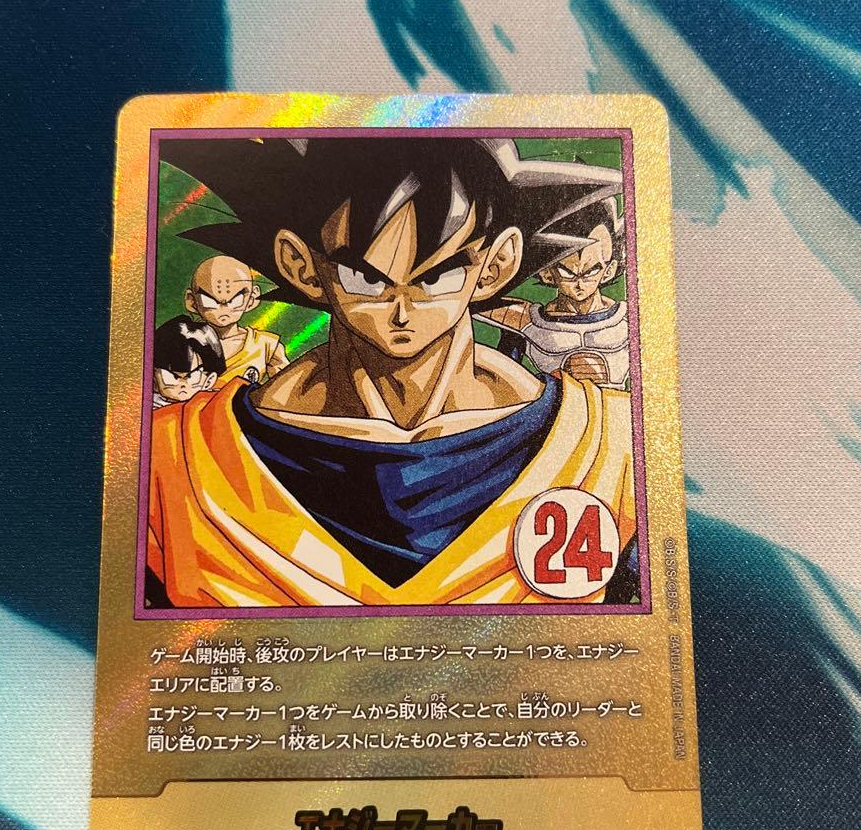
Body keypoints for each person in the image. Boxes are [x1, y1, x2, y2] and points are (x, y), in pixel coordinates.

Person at [146, 136, 636, 606]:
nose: (402, 310)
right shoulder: (186, 456)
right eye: (365, 278)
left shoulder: (603, 443)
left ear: (495, 265)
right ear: (301, 266)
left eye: (438, 276)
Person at [476, 198, 629, 388]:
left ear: (609, 270)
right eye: (568, 273)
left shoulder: (627, 318)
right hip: (557, 402)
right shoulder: (526, 321)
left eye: (591, 271)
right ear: (547, 273)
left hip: (616, 403)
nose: (579, 283)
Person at [185, 254, 289, 386]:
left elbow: (285, 389)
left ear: (252, 299)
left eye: (235, 300)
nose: (223, 309)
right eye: (209, 301)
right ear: (192, 301)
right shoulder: (185, 342)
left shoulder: (266, 345)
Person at [151, 314, 225, 409]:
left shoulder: (215, 404)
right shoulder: (146, 406)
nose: (182, 384)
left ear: (209, 381)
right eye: (172, 377)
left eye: (191, 376)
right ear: (154, 379)